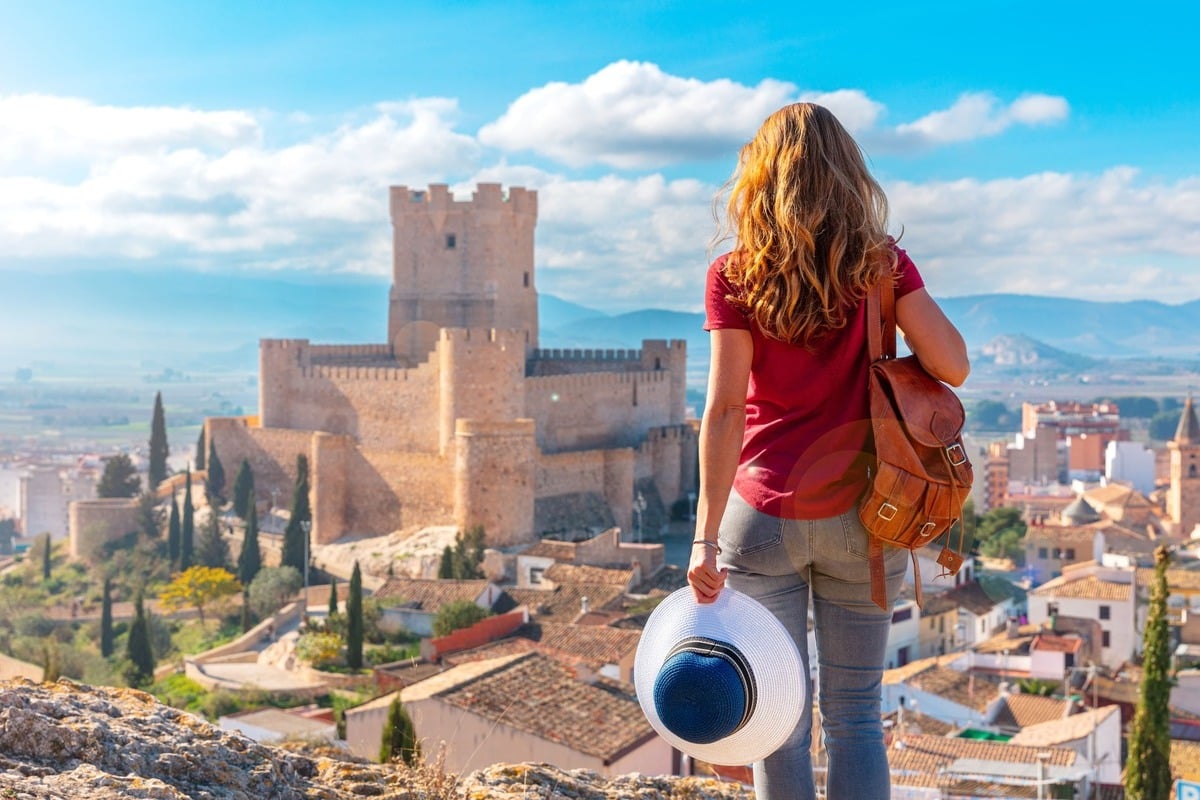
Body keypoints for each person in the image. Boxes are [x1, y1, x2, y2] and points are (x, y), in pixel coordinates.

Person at [688, 103, 969, 800]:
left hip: (761, 518)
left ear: (759, 179)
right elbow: (954, 366)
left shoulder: (735, 275)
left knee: (777, 718)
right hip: (865, 513)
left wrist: (703, 540)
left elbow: (723, 411)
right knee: (855, 717)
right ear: (849, 175)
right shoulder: (883, 267)